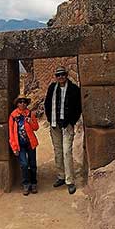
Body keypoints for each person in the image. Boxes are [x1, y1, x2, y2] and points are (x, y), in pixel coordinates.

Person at [44, 66, 81, 195]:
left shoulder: (74, 89)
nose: (61, 77)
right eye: (58, 75)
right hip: (55, 125)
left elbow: (78, 107)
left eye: (63, 75)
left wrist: (72, 122)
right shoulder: (52, 88)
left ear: (66, 75)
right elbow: (47, 104)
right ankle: (61, 176)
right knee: (58, 151)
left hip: (67, 125)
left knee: (66, 152)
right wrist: (50, 118)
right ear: (56, 77)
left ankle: (70, 181)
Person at [9, 94, 39, 196]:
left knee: (33, 164)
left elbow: (36, 127)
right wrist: (14, 147)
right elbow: (11, 133)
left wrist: (30, 121)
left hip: (30, 143)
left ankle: (34, 183)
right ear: (17, 103)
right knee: (24, 164)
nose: (22, 103)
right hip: (20, 144)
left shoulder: (30, 114)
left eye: (24, 102)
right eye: (20, 102)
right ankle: (26, 183)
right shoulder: (13, 116)